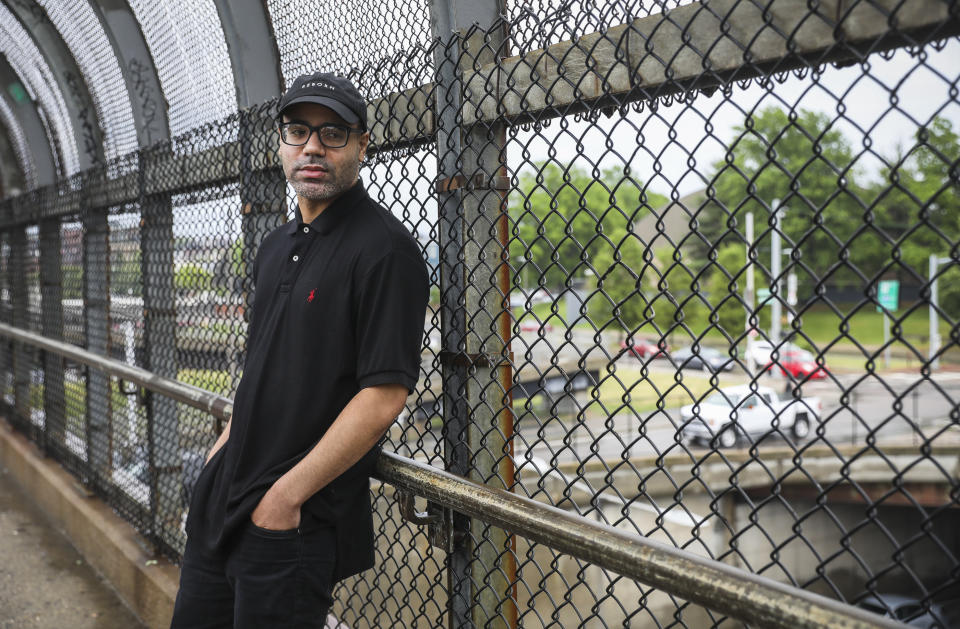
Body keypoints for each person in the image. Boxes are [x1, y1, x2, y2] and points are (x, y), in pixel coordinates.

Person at [170, 72, 430, 628]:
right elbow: (264, 362)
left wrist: (285, 498)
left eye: (333, 132)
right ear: (281, 144)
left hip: (294, 518)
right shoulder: (274, 245)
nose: (312, 146)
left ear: (363, 145)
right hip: (224, 498)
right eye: (298, 131)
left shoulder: (385, 249)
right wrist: (224, 447)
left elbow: (384, 394)